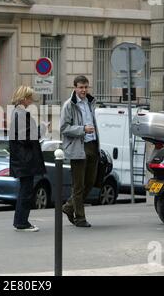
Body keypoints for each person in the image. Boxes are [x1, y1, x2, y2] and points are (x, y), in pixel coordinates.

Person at [60, 75, 100, 228]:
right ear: (75, 88)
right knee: (79, 185)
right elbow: (64, 128)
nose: (83, 90)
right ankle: (80, 218)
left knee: (90, 182)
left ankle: (69, 206)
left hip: (92, 145)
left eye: (85, 87)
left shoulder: (91, 102)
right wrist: (82, 129)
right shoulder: (69, 105)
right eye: (81, 87)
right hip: (78, 146)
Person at [9, 86, 48, 232]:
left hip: (22, 159)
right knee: (26, 192)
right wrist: (41, 129)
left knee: (25, 191)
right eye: (30, 98)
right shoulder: (21, 114)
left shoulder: (17, 113)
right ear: (24, 98)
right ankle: (21, 222)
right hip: (25, 160)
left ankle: (20, 221)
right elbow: (26, 138)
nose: (31, 100)